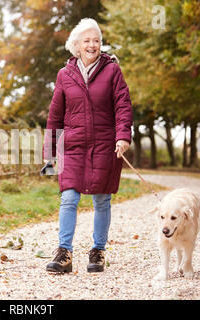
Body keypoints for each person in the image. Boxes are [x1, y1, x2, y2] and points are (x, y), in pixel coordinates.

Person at [42, 18, 133, 273]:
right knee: (68, 197)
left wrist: (123, 136)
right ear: (77, 45)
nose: (92, 45)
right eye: (87, 40)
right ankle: (64, 253)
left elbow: (123, 105)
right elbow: (54, 117)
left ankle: (98, 251)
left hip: (105, 144)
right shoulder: (64, 75)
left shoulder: (112, 71)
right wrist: (50, 156)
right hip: (73, 146)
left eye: (96, 40)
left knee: (102, 199)